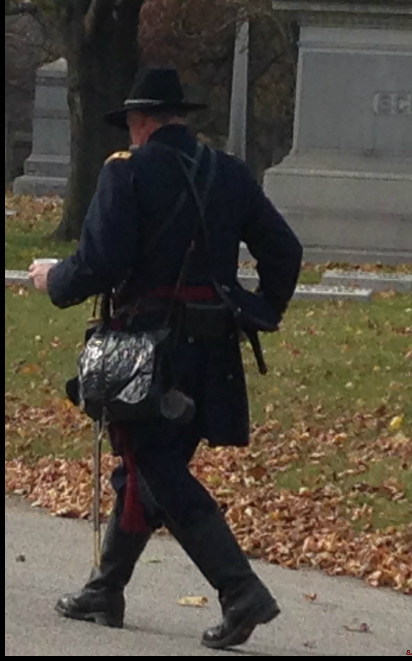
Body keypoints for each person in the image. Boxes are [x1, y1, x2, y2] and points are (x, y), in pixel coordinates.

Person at [29, 67, 303, 650]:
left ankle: (240, 590)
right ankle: (106, 588)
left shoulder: (126, 171)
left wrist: (55, 280)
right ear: (179, 117)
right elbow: (284, 250)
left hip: (148, 351)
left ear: (140, 122)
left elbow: (99, 262)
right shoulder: (228, 172)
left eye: (131, 125)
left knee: (158, 468)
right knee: (146, 470)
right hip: (214, 351)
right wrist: (260, 309)